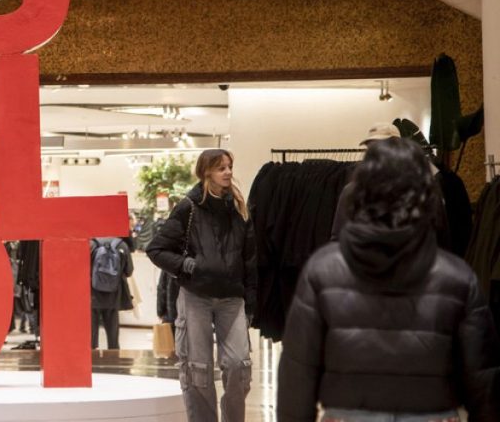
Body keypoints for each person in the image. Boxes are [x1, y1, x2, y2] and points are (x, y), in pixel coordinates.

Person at [278, 137, 500, 422]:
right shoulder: (455, 277)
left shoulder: (324, 271)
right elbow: (482, 378)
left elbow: (299, 370)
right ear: (427, 195)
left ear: (358, 192)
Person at [146, 149, 256, 422]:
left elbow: (251, 259)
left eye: (230, 166)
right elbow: (156, 249)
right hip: (196, 296)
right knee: (198, 369)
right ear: (206, 172)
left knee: (238, 365)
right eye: (222, 168)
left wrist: (251, 304)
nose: (229, 172)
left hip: (232, 298)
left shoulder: (240, 208)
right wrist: (186, 265)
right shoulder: (189, 207)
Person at [90, 236, 133, 350]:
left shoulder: (91, 244)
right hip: (114, 294)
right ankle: (114, 358)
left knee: (91, 334)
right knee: (113, 334)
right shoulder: (122, 245)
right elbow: (129, 271)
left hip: (93, 295)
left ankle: (92, 357)